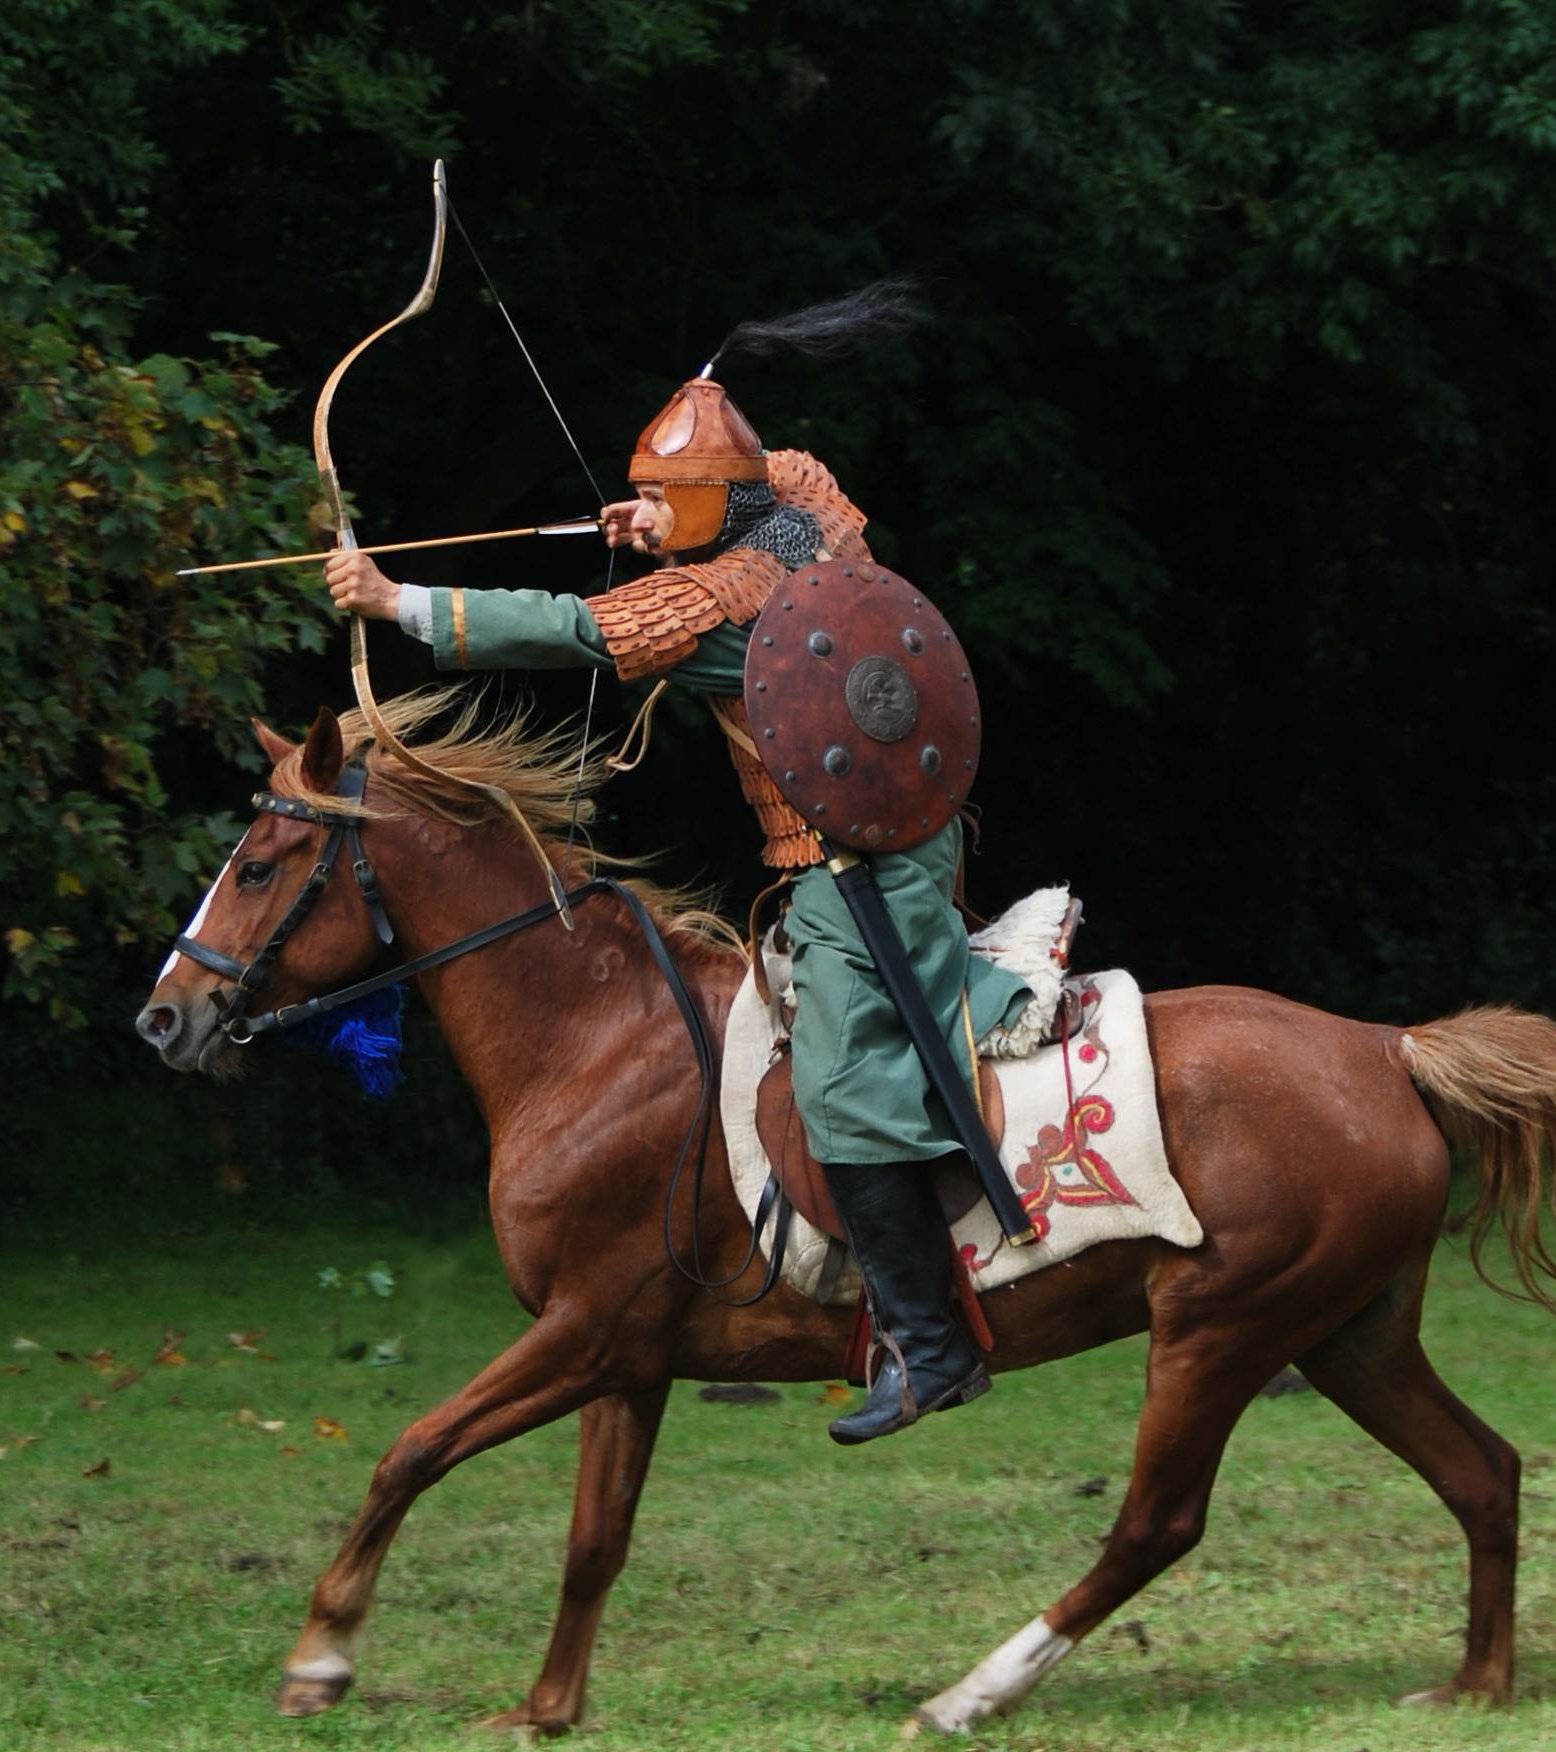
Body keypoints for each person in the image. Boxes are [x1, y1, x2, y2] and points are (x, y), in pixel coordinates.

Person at [323, 365, 1032, 1444]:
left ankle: (928, 1347)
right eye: (642, 497)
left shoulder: (717, 612)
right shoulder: (807, 515)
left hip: (859, 865)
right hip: (894, 831)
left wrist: (395, 602)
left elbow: (575, 628)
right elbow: (764, 469)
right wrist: (667, 518)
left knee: (838, 1088)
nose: (641, 513)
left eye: (659, 497)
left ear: (712, 502)